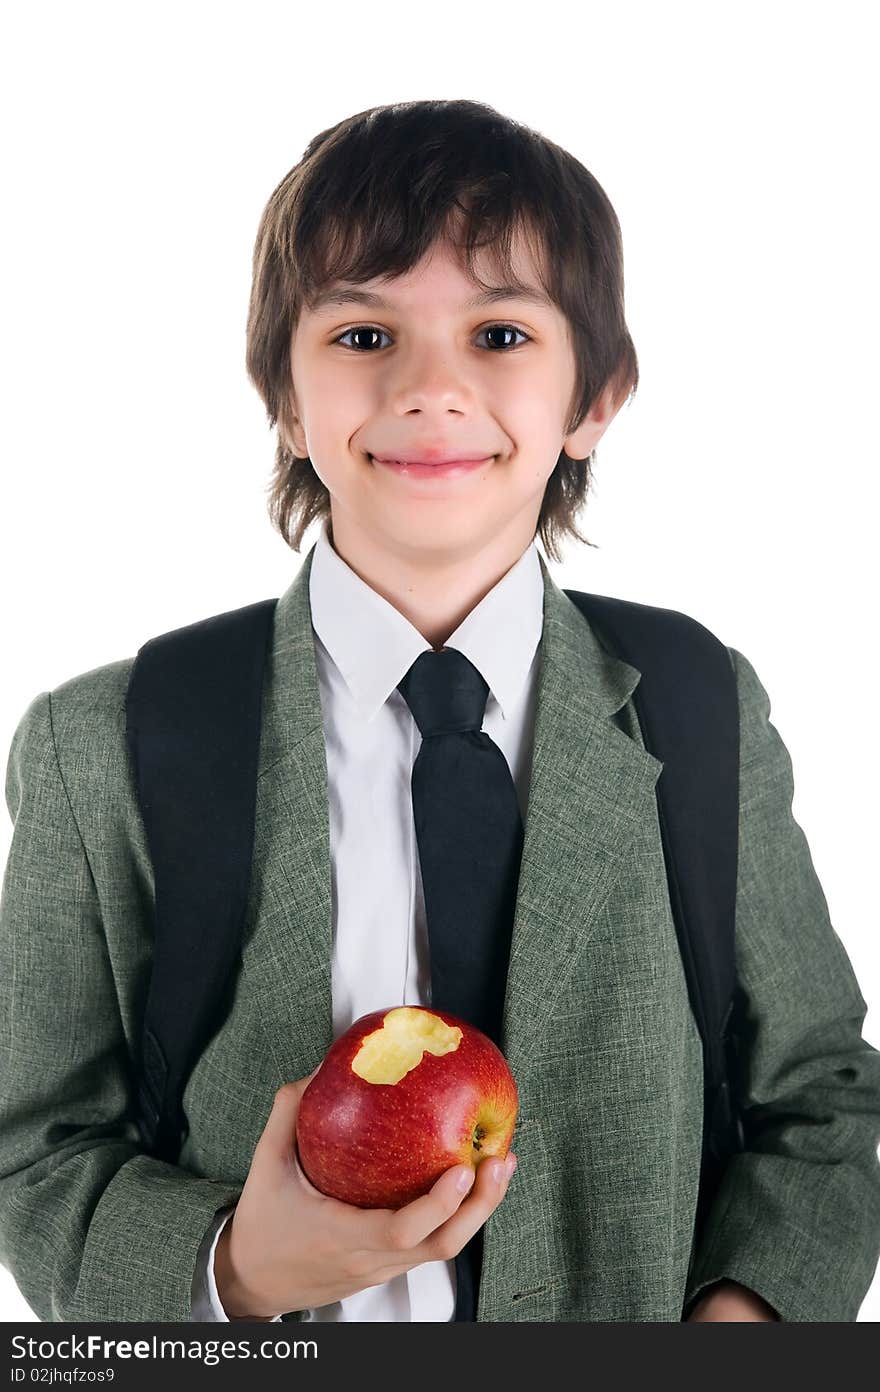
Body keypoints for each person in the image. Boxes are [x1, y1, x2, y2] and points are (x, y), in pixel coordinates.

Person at [2, 99, 879, 1324]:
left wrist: (739, 1325)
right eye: (363, 334)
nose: (431, 387)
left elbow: (822, 1094)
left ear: (597, 397)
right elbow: (34, 1145)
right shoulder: (106, 746)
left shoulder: (696, 706)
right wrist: (232, 1271)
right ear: (287, 402)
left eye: (501, 332)